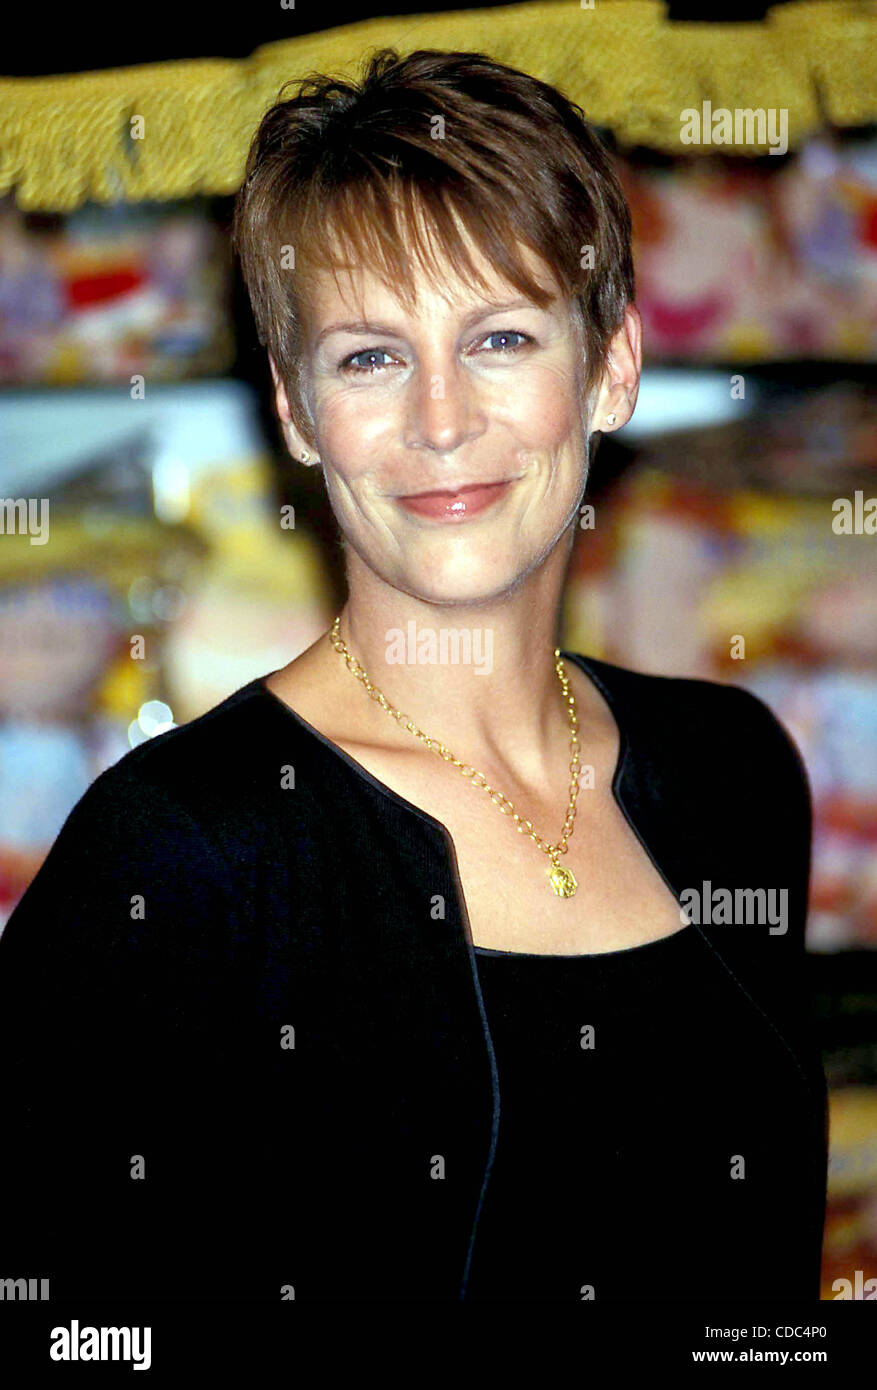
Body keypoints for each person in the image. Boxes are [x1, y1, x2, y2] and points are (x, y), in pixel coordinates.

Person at [0, 47, 827, 1303]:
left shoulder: (734, 768)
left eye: (499, 337)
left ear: (609, 369)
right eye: (369, 357)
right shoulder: (181, 852)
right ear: (292, 409)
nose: (441, 420)